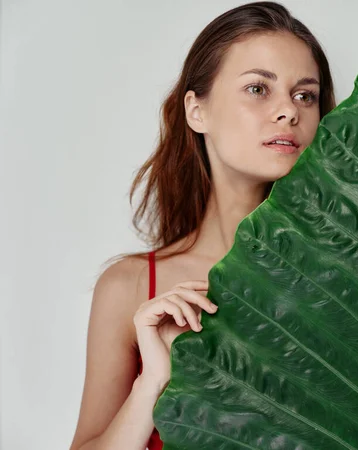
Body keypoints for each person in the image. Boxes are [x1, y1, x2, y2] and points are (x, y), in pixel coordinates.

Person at [69, 2, 336, 449]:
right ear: (197, 110)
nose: (288, 111)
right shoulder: (131, 286)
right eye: (258, 89)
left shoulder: (349, 282)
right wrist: (154, 381)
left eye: (304, 95)